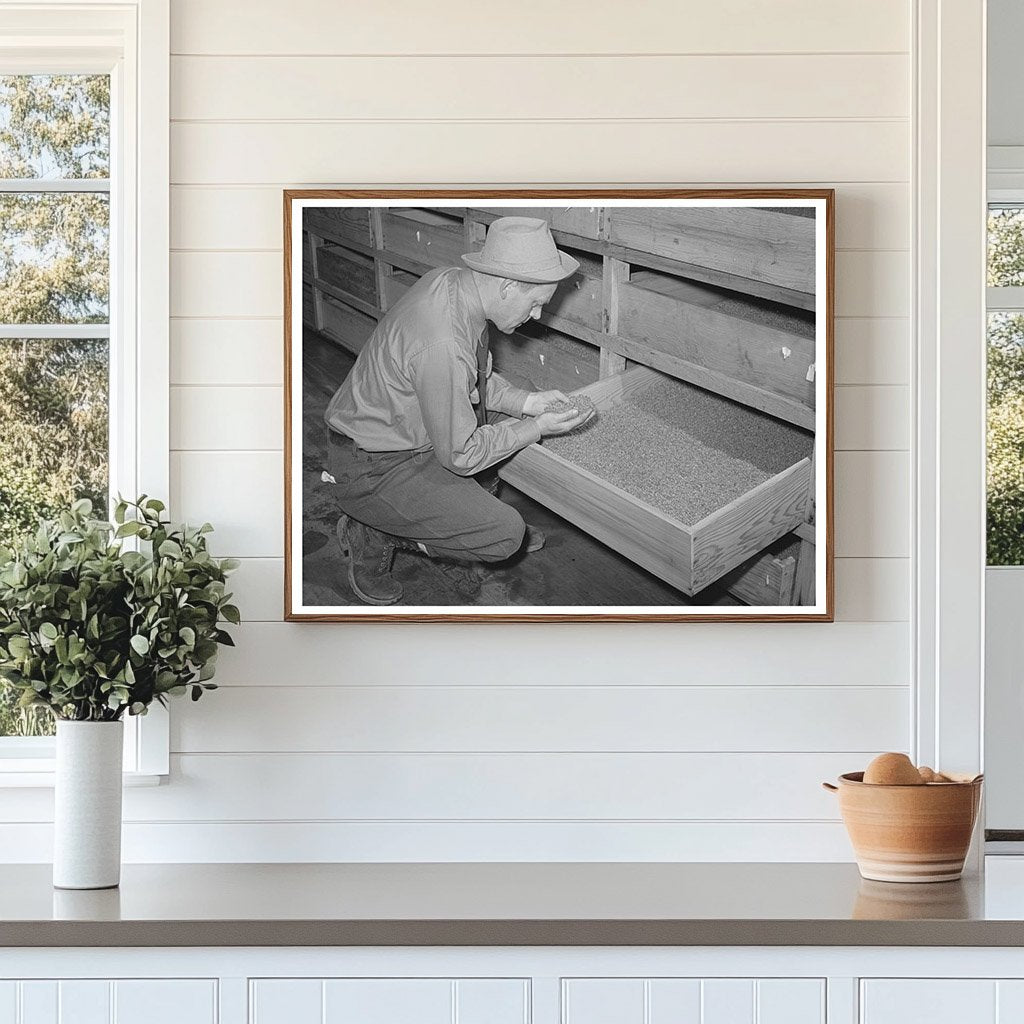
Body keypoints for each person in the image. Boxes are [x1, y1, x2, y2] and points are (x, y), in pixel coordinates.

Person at [323, 215, 594, 605]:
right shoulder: (444, 341)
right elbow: (462, 453)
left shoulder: (453, 283)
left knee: (520, 409)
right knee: (505, 536)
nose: (536, 317)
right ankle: (372, 527)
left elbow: (474, 379)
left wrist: (527, 403)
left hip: (409, 433)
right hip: (371, 465)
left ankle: (453, 515)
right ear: (505, 286)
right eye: (535, 304)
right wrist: (536, 427)